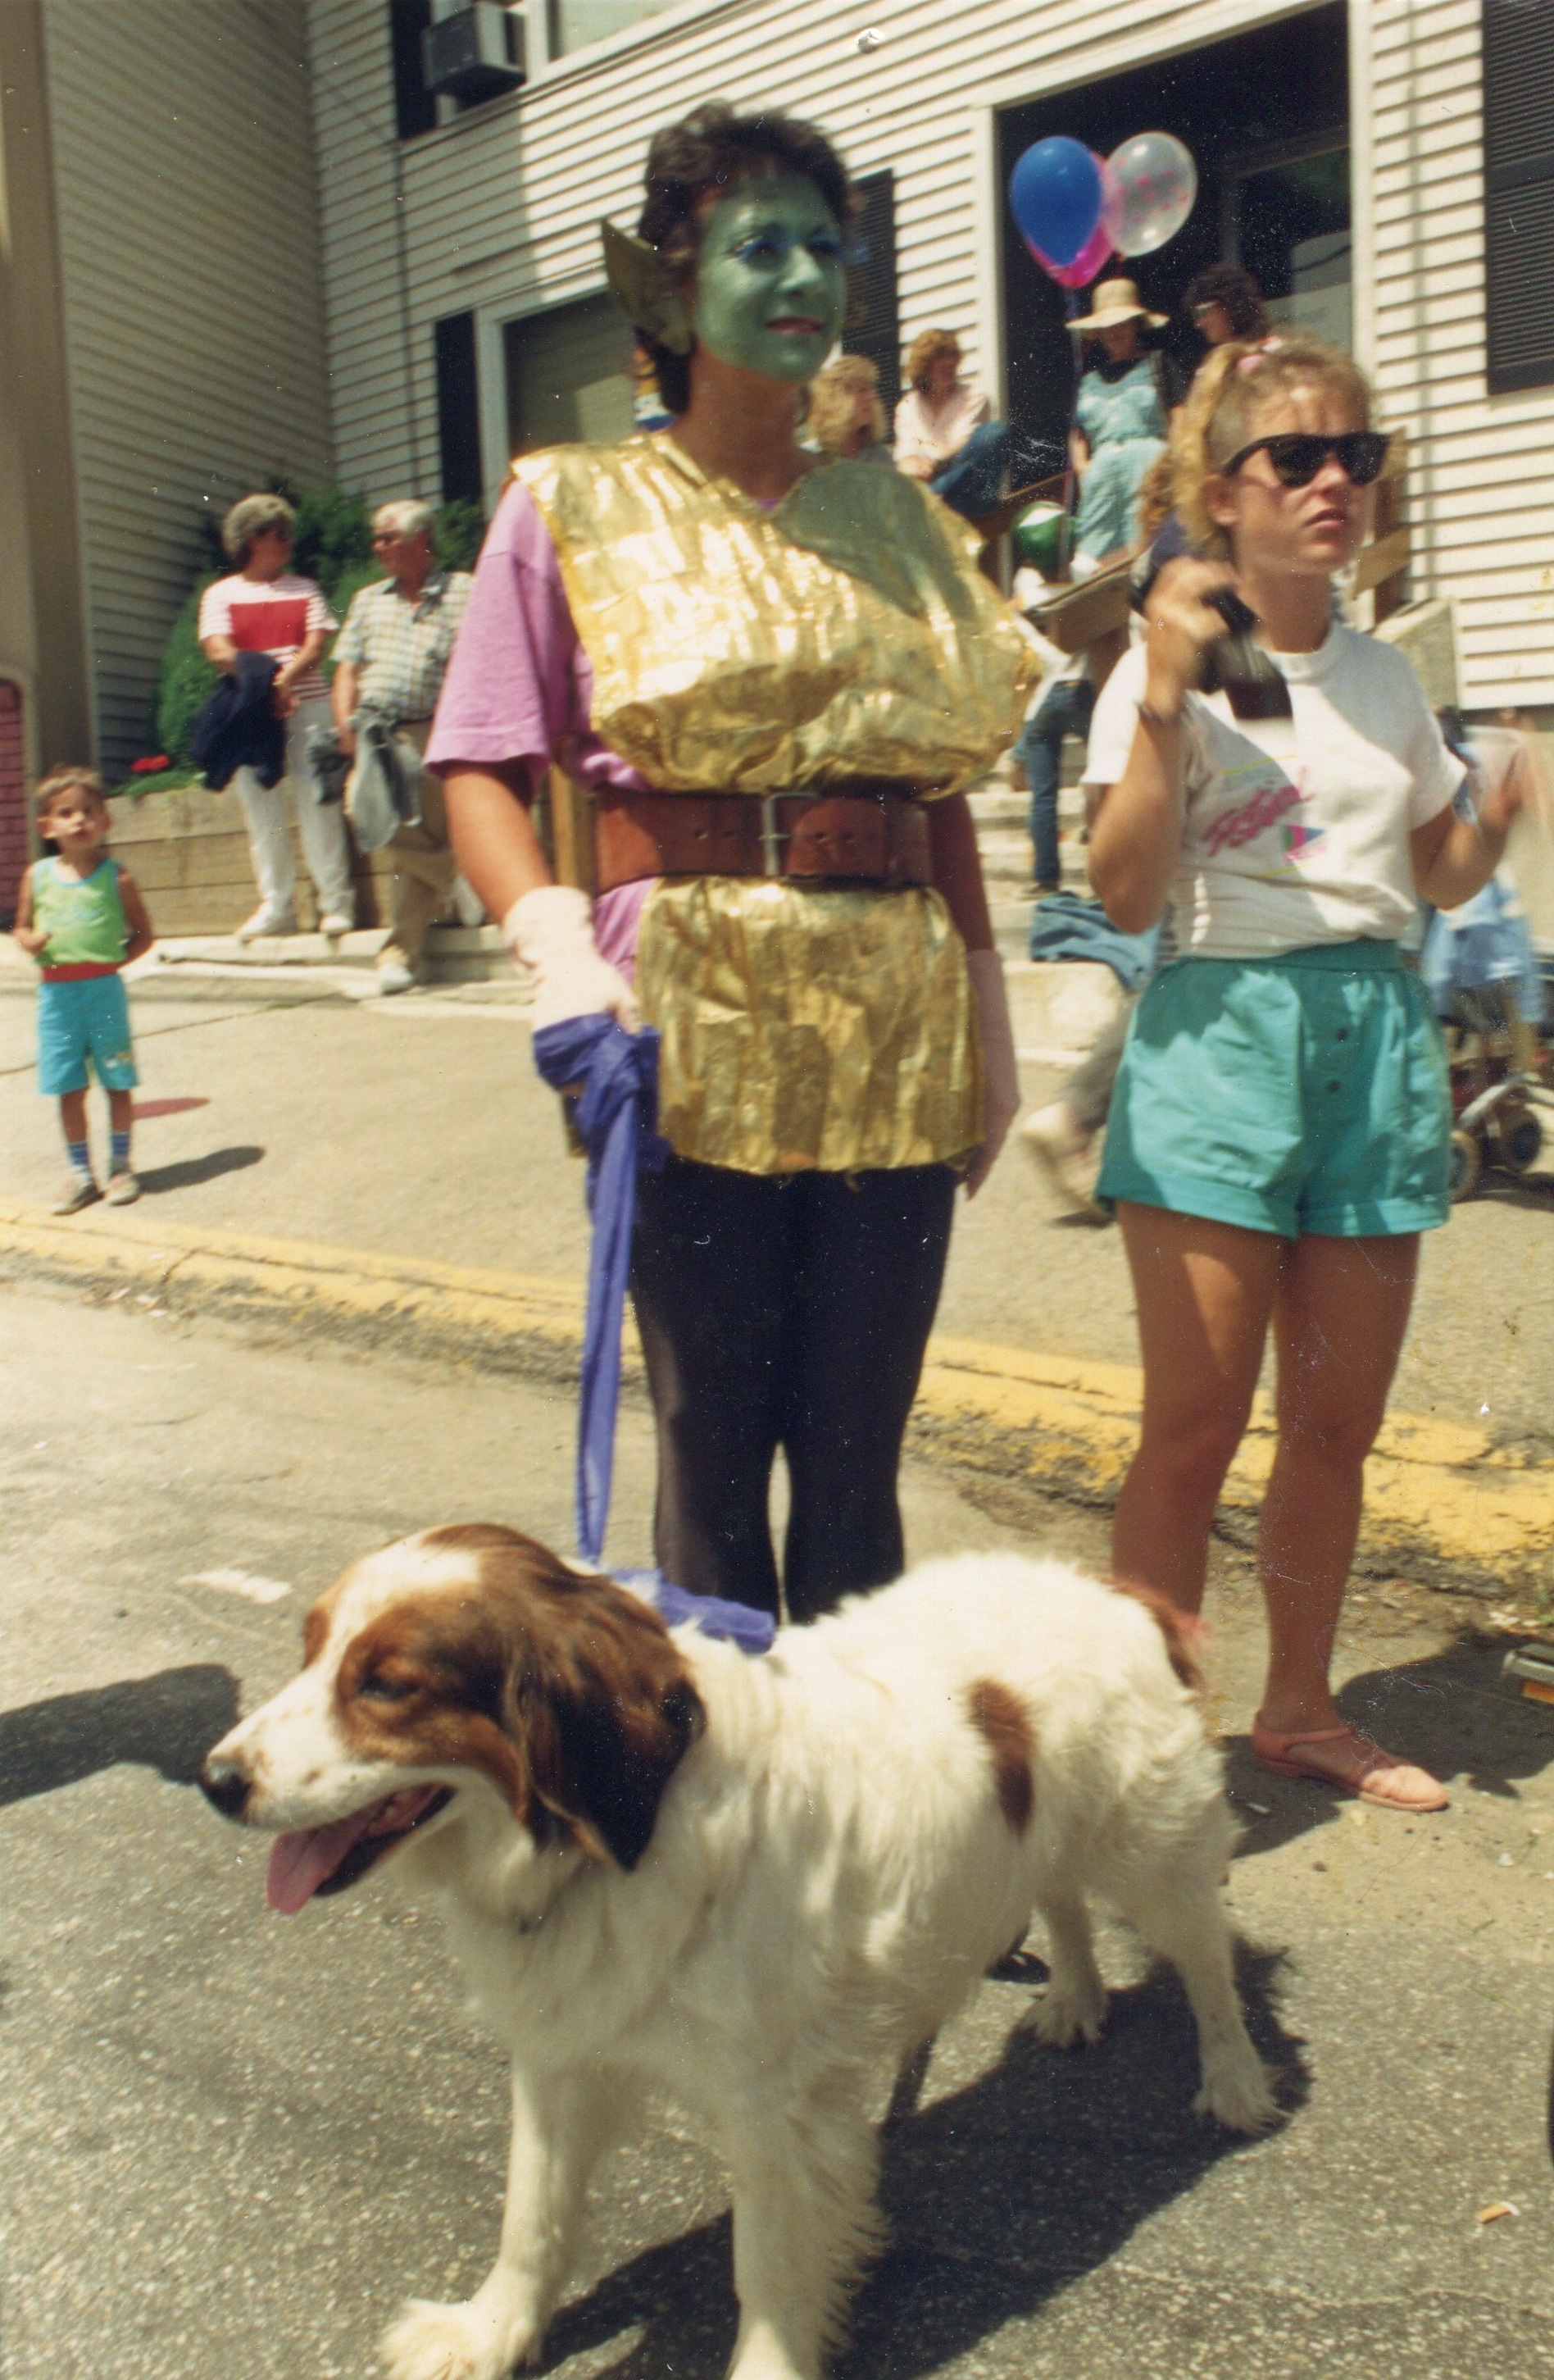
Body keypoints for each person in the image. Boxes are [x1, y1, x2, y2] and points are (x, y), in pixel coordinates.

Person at [428, 101, 1033, 1622]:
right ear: (670, 286)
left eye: (825, 246)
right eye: (759, 245)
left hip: (894, 1021)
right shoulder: (567, 502)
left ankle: (852, 1821)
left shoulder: (895, 513)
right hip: (678, 1022)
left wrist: (989, 1015)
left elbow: (935, 786)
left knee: (856, 1464)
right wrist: (556, 949)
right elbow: (482, 768)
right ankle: (720, 1821)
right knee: (711, 1448)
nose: (801, 277)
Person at [1085, 333, 1538, 1813]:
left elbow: (1432, 868)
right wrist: (1160, 691)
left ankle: (1297, 1706)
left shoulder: (1390, 676)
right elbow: (1130, 893)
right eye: (1298, 456)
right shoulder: (1167, 672)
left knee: (1333, 1425)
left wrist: (1499, 803)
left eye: (1358, 453)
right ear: (1223, 493)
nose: (1336, 479)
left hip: (1374, 1038)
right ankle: (1136, 1745)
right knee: (1194, 1425)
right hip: (1222, 1036)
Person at [330, 502, 473, 994]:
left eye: (388, 537)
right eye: (376, 538)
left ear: (421, 540)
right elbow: (347, 668)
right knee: (362, 812)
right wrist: (345, 726)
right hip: (375, 730)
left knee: (422, 831)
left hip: (437, 728)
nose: (378, 547)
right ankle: (457, 874)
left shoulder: (464, 592)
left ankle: (399, 955)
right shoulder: (368, 600)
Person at [198, 494, 354, 942]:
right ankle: (276, 906)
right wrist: (266, 683)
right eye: (278, 534)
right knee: (261, 808)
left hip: (309, 706)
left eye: (289, 533)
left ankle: (335, 905)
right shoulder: (220, 594)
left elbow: (316, 644)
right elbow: (217, 649)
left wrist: (286, 680)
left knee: (319, 802)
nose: (288, 542)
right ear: (251, 539)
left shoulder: (305, 588)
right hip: (250, 709)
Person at [12, 767, 154, 1212]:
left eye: (89, 812)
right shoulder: (36, 877)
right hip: (57, 1000)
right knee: (68, 1087)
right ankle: (80, 1174)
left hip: (104, 995)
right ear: (47, 827)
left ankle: (120, 1167)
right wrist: (28, 940)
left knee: (117, 1080)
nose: (79, 821)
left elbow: (144, 935)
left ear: (106, 821)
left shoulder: (118, 877)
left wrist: (110, 965)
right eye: (65, 813)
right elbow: (20, 926)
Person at [1068, 280, 1169, 573]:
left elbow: (1180, 421)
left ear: (1136, 325)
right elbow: (1078, 436)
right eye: (1107, 325)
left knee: (1149, 553)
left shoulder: (1158, 364)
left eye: (1122, 323)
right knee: (1092, 560)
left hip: (1151, 467)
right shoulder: (1088, 381)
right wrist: (1085, 469)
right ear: (1097, 332)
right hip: (1102, 476)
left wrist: (1171, 470)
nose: (1115, 332)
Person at [1158, 264, 1270, 412]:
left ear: (1229, 304)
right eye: (1196, 315)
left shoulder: (1270, 356)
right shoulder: (1212, 366)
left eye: (1202, 311)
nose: (1199, 324)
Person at [806, 353, 894, 464]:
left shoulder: (879, 456)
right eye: (862, 390)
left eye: (871, 389)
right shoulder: (810, 457)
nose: (872, 397)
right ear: (837, 398)